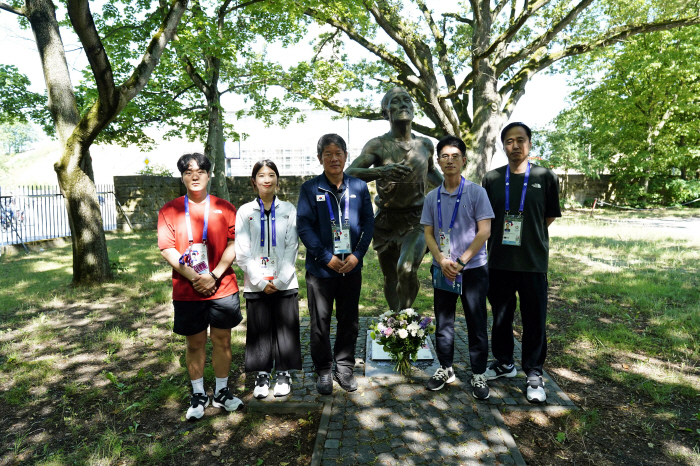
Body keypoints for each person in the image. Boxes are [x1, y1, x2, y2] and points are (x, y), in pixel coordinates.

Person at [158, 152, 244, 420]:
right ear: (182, 177)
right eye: (188, 172)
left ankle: (221, 391)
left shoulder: (225, 207)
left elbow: (233, 244)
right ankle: (198, 394)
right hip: (187, 289)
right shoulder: (170, 210)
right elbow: (167, 249)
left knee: (222, 340)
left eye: (200, 171)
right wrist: (196, 277)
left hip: (222, 286)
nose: (194, 176)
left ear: (208, 175)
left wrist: (214, 275)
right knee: (194, 343)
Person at [481, 122, 561, 403]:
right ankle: (504, 363)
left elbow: (548, 216)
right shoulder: (491, 178)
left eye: (521, 140)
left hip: (532, 261)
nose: (515, 146)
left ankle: (534, 373)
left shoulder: (545, 176)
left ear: (529, 143)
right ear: (503, 145)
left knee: (534, 320)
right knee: (501, 317)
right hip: (500, 261)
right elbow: (486, 220)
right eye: (509, 141)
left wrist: (530, 236)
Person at [346, 87, 443, 312]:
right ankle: (396, 324)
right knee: (391, 278)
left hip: (416, 221)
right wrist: (382, 171)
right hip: (386, 221)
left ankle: (407, 319)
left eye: (407, 100)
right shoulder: (377, 145)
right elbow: (351, 173)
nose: (403, 104)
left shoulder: (425, 144)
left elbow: (431, 172)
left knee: (407, 269)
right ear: (385, 112)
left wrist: (457, 188)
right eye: (395, 101)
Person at [297, 134, 374, 394]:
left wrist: (357, 255)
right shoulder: (310, 188)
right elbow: (304, 227)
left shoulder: (359, 187)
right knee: (320, 322)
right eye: (327, 154)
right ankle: (324, 370)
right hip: (320, 269)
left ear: (346, 156)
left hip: (351, 267)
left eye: (338, 153)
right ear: (320, 158)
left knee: (349, 319)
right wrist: (325, 256)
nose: (334, 158)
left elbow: (368, 224)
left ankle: (344, 366)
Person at [421, 136, 494, 399]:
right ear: (438, 161)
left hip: (472, 269)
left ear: (464, 160)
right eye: (444, 156)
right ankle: (446, 368)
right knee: (444, 322)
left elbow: (484, 232)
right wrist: (442, 260)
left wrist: (461, 262)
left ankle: (478, 373)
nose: (449, 160)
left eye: (455, 156)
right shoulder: (432, 197)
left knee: (476, 321)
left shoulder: (477, 192)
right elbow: (428, 233)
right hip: (443, 268)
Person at [235, 159, 302, 399]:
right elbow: (241, 251)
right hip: (256, 283)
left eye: (271, 174)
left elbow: (292, 246)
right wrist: (261, 281)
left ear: (277, 179)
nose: (267, 179)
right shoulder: (244, 211)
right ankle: (262, 373)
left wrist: (281, 280)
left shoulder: (288, 210)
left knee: (285, 327)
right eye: (262, 175)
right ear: (254, 181)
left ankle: (283, 372)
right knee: (260, 328)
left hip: (285, 281)